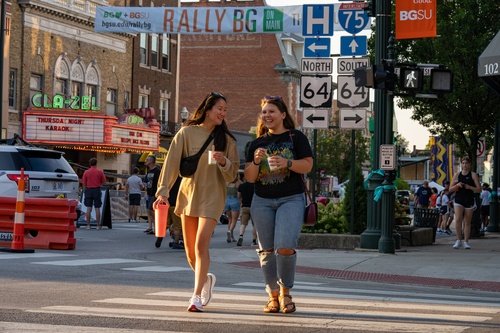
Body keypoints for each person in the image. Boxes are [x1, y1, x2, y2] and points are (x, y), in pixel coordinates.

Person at [155, 92, 239, 312]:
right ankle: (205, 280)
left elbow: (232, 176)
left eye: (225, 110)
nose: (222, 113)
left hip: (213, 196)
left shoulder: (227, 140)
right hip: (188, 194)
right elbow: (171, 164)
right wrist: (162, 192)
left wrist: (224, 162)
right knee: (191, 252)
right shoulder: (186, 133)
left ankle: (195, 297)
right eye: (219, 108)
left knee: (202, 244)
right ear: (208, 109)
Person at [244, 95, 313, 314]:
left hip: (291, 198)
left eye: (271, 111)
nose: (267, 116)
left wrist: (288, 162)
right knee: (267, 250)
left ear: (283, 115)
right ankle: (272, 296)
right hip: (262, 200)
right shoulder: (256, 143)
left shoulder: (296, 137)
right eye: (264, 112)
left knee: (285, 246)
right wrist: (255, 161)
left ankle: (285, 292)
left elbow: (308, 166)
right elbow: (250, 178)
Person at [450, 156, 481, 249]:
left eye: (466, 163)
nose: (465, 165)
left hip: (469, 199)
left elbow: (479, 189)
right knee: (458, 218)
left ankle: (466, 241)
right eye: (463, 163)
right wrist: (457, 186)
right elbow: (450, 188)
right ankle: (458, 240)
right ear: (461, 164)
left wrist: (470, 187)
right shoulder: (457, 175)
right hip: (459, 199)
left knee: (467, 221)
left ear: (469, 164)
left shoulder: (473, 175)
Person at [155, 176, 183, 249]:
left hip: (166, 204)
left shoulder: (168, 180)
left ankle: (159, 238)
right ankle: (175, 242)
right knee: (178, 226)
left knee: (165, 224)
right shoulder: (182, 180)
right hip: (176, 205)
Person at [81, 157, 106, 230]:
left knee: (88, 208)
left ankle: (88, 225)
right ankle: (98, 225)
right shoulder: (100, 172)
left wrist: (85, 191)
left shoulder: (86, 172)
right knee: (97, 208)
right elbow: (104, 182)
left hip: (89, 190)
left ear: (90, 164)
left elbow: (83, 183)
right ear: (96, 163)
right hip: (97, 190)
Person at [237, 176, 257, 246]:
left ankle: (241, 236)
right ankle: (254, 240)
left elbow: (239, 196)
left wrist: (241, 201)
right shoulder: (255, 186)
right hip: (254, 207)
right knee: (254, 225)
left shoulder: (241, 186)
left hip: (244, 206)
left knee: (243, 224)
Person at [143, 155, 161, 235]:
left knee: (151, 210)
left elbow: (159, 183)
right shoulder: (149, 171)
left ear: (151, 161)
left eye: (147, 159)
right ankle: (150, 227)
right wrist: (146, 191)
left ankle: (156, 227)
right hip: (149, 193)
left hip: (155, 193)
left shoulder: (157, 171)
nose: (146, 161)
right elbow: (146, 182)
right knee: (148, 211)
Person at [224, 175, 242, 243]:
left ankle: (231, 236)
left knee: (230, 219)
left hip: (226, 201)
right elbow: (239, 195)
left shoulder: (226, 183)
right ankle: (230, 231)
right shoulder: (238, 183)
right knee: (234, 220)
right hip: (235, 200)